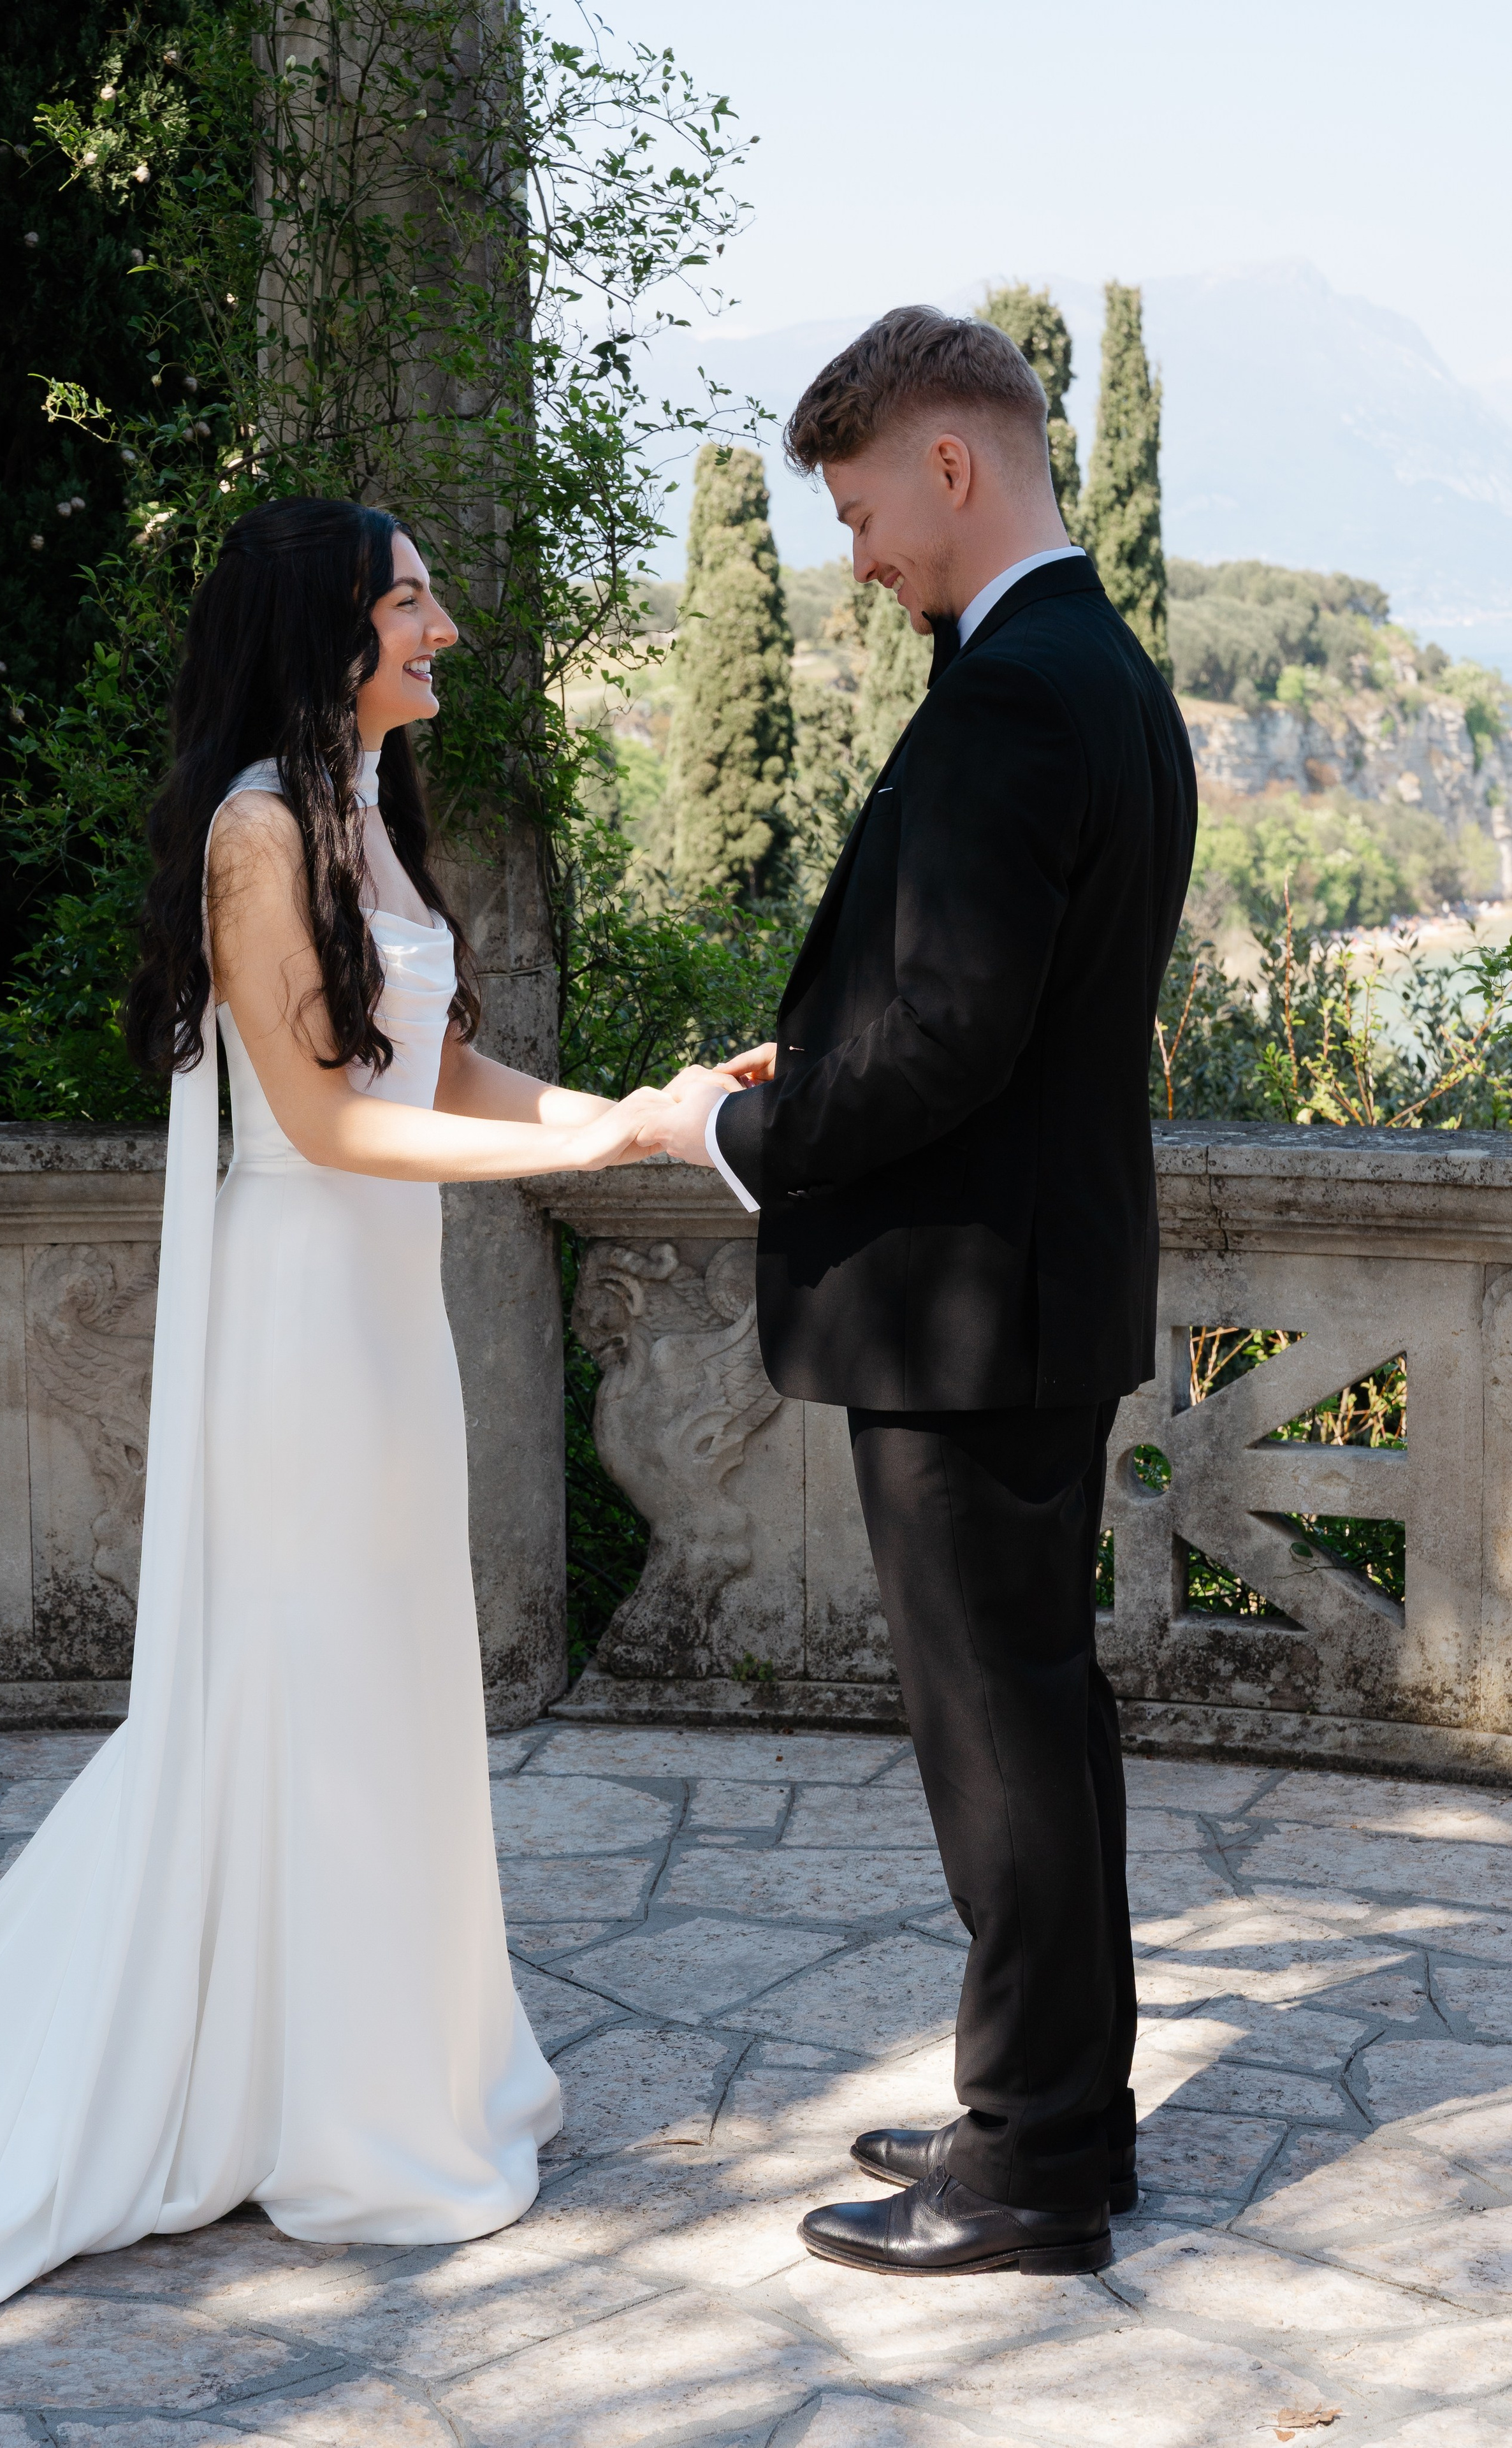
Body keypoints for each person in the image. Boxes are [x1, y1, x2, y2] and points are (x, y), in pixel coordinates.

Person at [0, 496, 666, 2319]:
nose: (444, 626)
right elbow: (320, 1128)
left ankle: (381, 2069)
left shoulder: (365, 819)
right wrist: (591, 1148)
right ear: (328, 632)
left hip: (387, 1331)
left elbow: (446, 1066)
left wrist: (643, 1115)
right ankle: (316, 2107)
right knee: (305, 1687)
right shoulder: (254, 831)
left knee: (390, 1680)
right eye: (409, 601)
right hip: (305, 1327)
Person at [643, 308, 1197, 2277]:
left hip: (972, 1314)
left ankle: (1032, 2168)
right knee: (1038, 1720)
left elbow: (954, 1037)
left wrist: (742, 1137)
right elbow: (994, 1010)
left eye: (866, 512)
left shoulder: (1017, 694)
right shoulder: (1092, 668)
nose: (859, 559)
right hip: (1029, 1291)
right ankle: (1063, 2115)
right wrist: (826, 1055)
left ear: (951, 467)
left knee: (999, 1738)